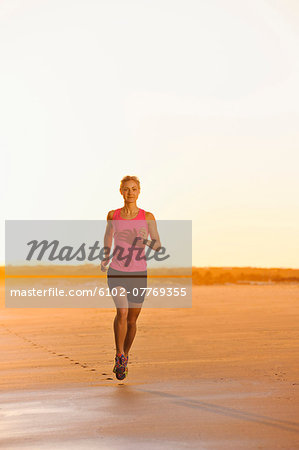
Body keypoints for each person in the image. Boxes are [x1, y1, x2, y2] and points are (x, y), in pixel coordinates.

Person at [101, 175, 162, 380]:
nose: (130, 192)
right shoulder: (113, 215)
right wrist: (105, 258)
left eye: (134, 189)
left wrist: (146, 241)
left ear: (139, 191)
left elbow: (157, 245)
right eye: (126, 189)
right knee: (122, 312)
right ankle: (119, 354)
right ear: (121, 191)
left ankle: (125, 356)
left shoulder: (148, 216)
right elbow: (108, 238)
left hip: (138, 272)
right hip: (117, 270)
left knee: (133, 320)